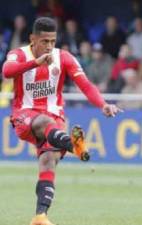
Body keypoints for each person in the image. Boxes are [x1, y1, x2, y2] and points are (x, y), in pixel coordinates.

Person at [2, 17, 122, 225]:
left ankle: (40, 216)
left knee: (49, 161)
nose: (49, 46)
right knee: (42, 122)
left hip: (55, 118)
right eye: (44, 41)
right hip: (25, 115)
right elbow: (6, 71)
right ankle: (75, 146)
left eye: (52, 41)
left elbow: (85, 85)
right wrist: (35, 63)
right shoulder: (19, 54)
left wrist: (103, 104)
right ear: (33, 39)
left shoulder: (64, 57)